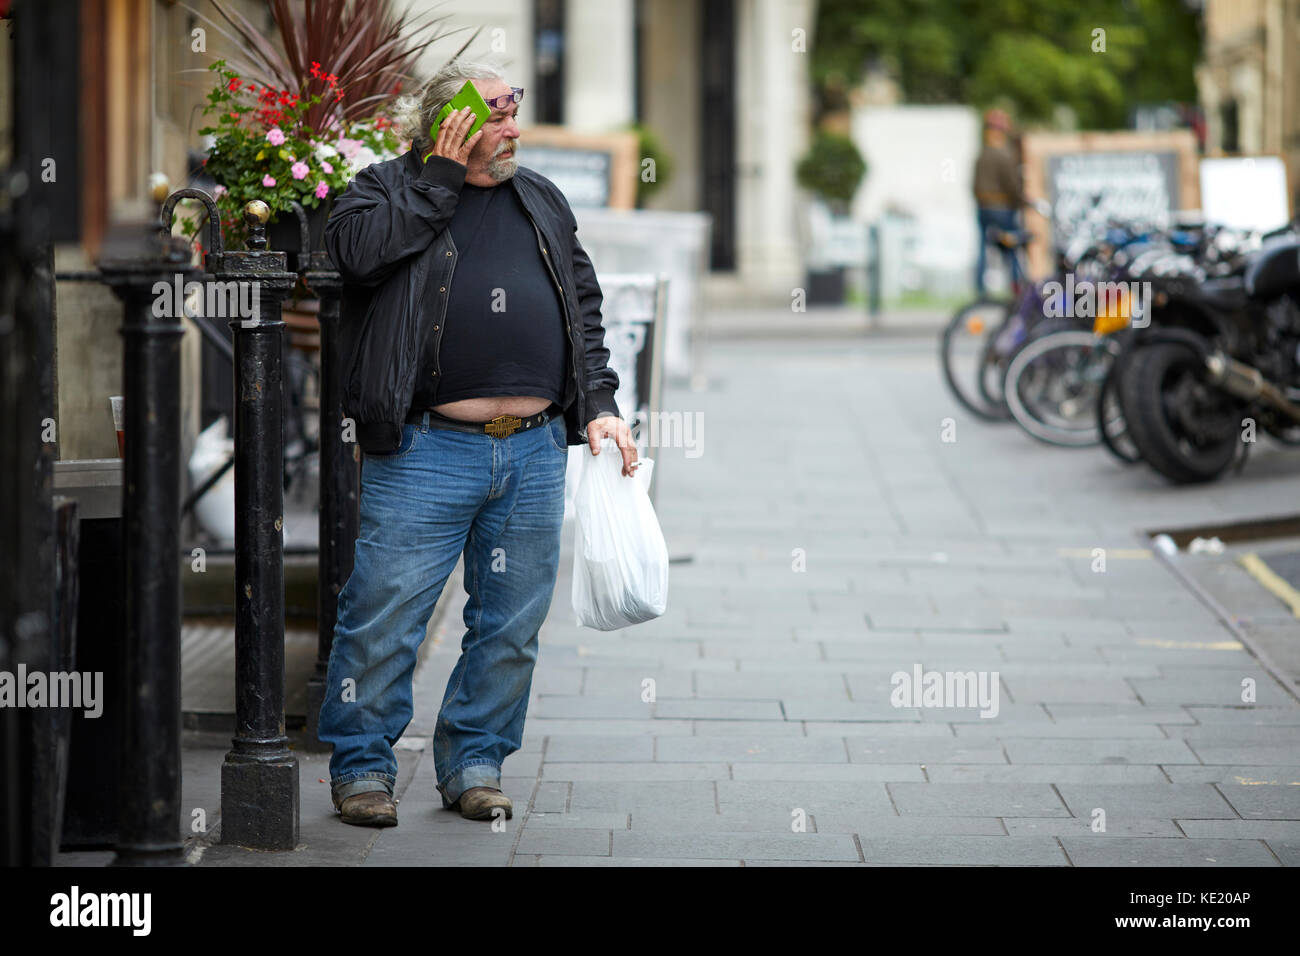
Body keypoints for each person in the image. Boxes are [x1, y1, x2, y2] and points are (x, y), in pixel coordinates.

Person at [317, 58, 638, 827]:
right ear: (448, 120)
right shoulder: (386, 191)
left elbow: (581, 307)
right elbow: (353, 259)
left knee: (511, 623)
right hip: (427, 448)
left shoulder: (540, 199)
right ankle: (362, 768)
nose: (513, 127)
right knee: (384, 613)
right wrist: (438, 182)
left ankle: (474, 761)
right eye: (494, 111)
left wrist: (599, 402)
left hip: (530, 450)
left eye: (512, 108)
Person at [972, 108, 1026, 294]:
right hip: (1002, 206)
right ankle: (1016, 286)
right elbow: (1011, 183)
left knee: (982, 250)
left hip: (983, 206)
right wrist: (1020, 201)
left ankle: (980, 290)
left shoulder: (982, 153)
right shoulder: (1004, 153)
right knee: (1011, 248)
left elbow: (974, 183)